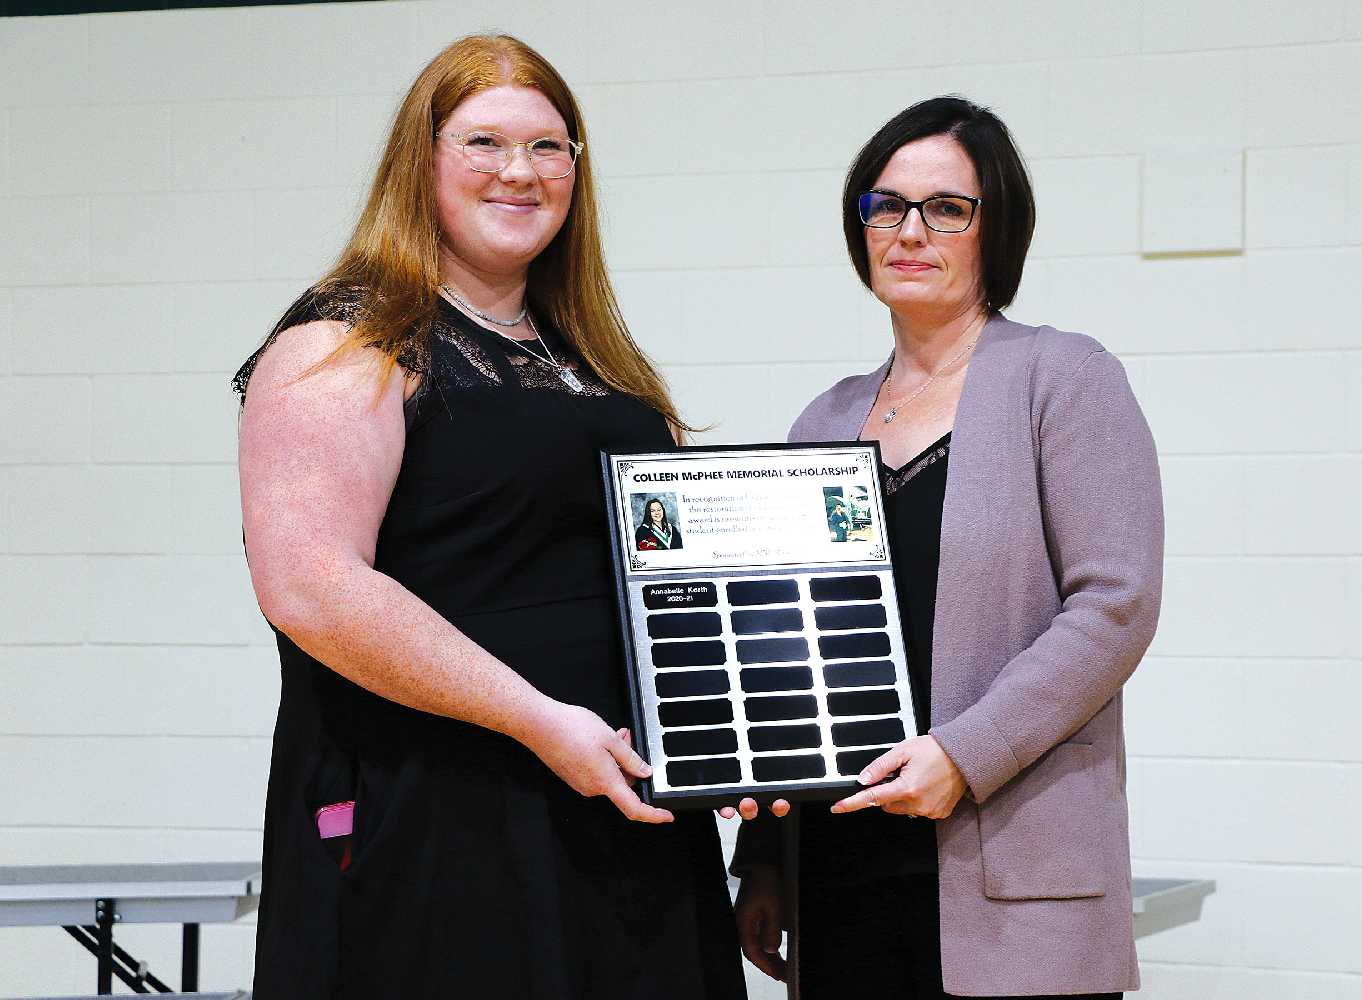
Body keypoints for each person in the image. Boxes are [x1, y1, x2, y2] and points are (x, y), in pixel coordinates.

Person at [234, 35, 744, 1000]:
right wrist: (539, 720)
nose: (521, 171)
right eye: (483, 142)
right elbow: (310, 585)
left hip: (618, 812)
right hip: (442, 823)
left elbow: (665, 577)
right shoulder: (343, 342)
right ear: (419, 160)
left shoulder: (592, 359)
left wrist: (729, 735)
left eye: (551, 147)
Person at [728, 96, 1164, 999]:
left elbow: (1115, 604)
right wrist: (765, 856)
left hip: (1007, 864)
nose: (909, 231)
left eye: (945, 208)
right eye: (885, 206)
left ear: (993, 228)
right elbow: (783, 649)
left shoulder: (1065, 378)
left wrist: (965, 753)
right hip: (843, 865)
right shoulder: (822, 422)